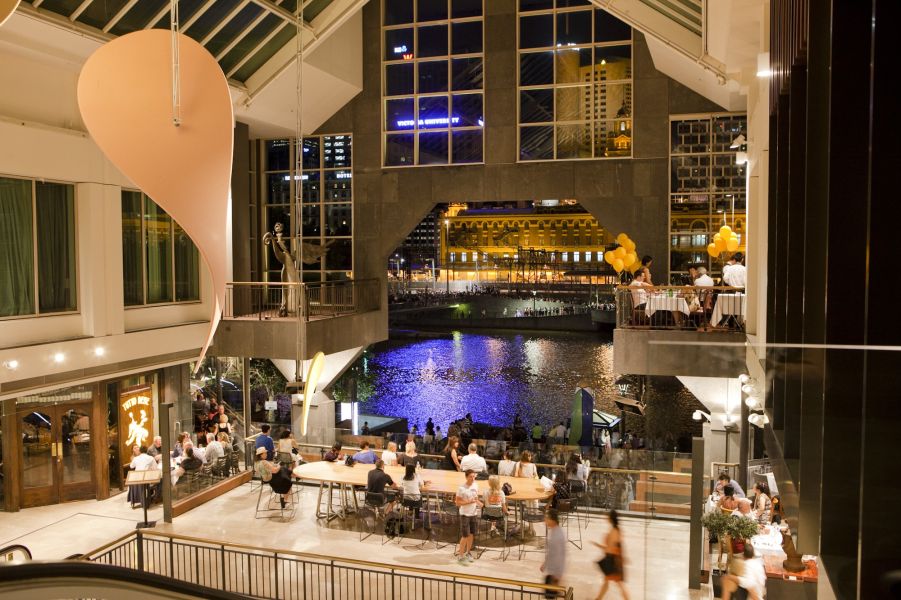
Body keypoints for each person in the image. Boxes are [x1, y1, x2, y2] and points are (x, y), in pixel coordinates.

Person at [593, 510, 628, 600]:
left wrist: (599, 546)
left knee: (618, 584)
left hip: (612, 560)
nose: (606, 517)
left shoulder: (614, 531)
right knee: (608, 581)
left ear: (611, 518)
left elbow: (613, 548)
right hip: (612, 559)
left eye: (608, 516)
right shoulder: (615, 530)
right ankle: (598, 598)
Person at [454, 469, 483, 565]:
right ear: (466, 477)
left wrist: (479, 503)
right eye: (471, 476)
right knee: (465, 535)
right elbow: (457, 503)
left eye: (474, 476)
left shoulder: (476, 485)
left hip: (473, 513)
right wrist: (469, 502)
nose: (473, 478)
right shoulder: (461, 488)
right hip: (465, 514)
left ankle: (468, 552)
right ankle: (461, 555)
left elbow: (476, 498)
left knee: (471, 535)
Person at [541, 508, 567, 598]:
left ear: (552, 520)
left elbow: (560, 556)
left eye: (546, 518)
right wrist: (545, 564)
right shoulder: (555, 531)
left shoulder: (556, 535)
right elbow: (552, 552)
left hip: (554, 573)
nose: (545, 521)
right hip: (553, 572)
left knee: (550, 596)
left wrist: (557, 575)